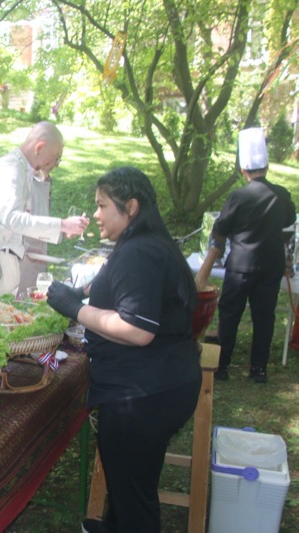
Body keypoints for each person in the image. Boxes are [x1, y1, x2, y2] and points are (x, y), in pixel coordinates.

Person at [46, 166, 201, 533]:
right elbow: (118, 287)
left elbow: (137, 329)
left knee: (134, 494)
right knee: (129, 480)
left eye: (102, 205)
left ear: (130, 207)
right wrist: (81, 293)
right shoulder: (147, 243)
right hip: (159, 386)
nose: (96, 214)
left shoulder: (139, 252)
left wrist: (75, 309)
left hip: (144, 395)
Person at [195, 127, 296, 383]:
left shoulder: (238, 196)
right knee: (265, 316)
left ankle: (223, 365)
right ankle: (258, 369)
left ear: (243, 170)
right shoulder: (281, 194)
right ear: (267, 167)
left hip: (241, 265)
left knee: (230, 314)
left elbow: (221, 228)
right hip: (270, 265)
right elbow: (289, 220)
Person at [0, 122, 87, 297]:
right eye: (56, 157)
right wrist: (62, 225)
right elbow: (12, 218)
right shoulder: (10, 167)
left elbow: (21, 224)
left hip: (6, 262)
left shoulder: (23, 170)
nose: (55, 164)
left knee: (6, 313)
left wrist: (60, 230)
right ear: (39, 147)